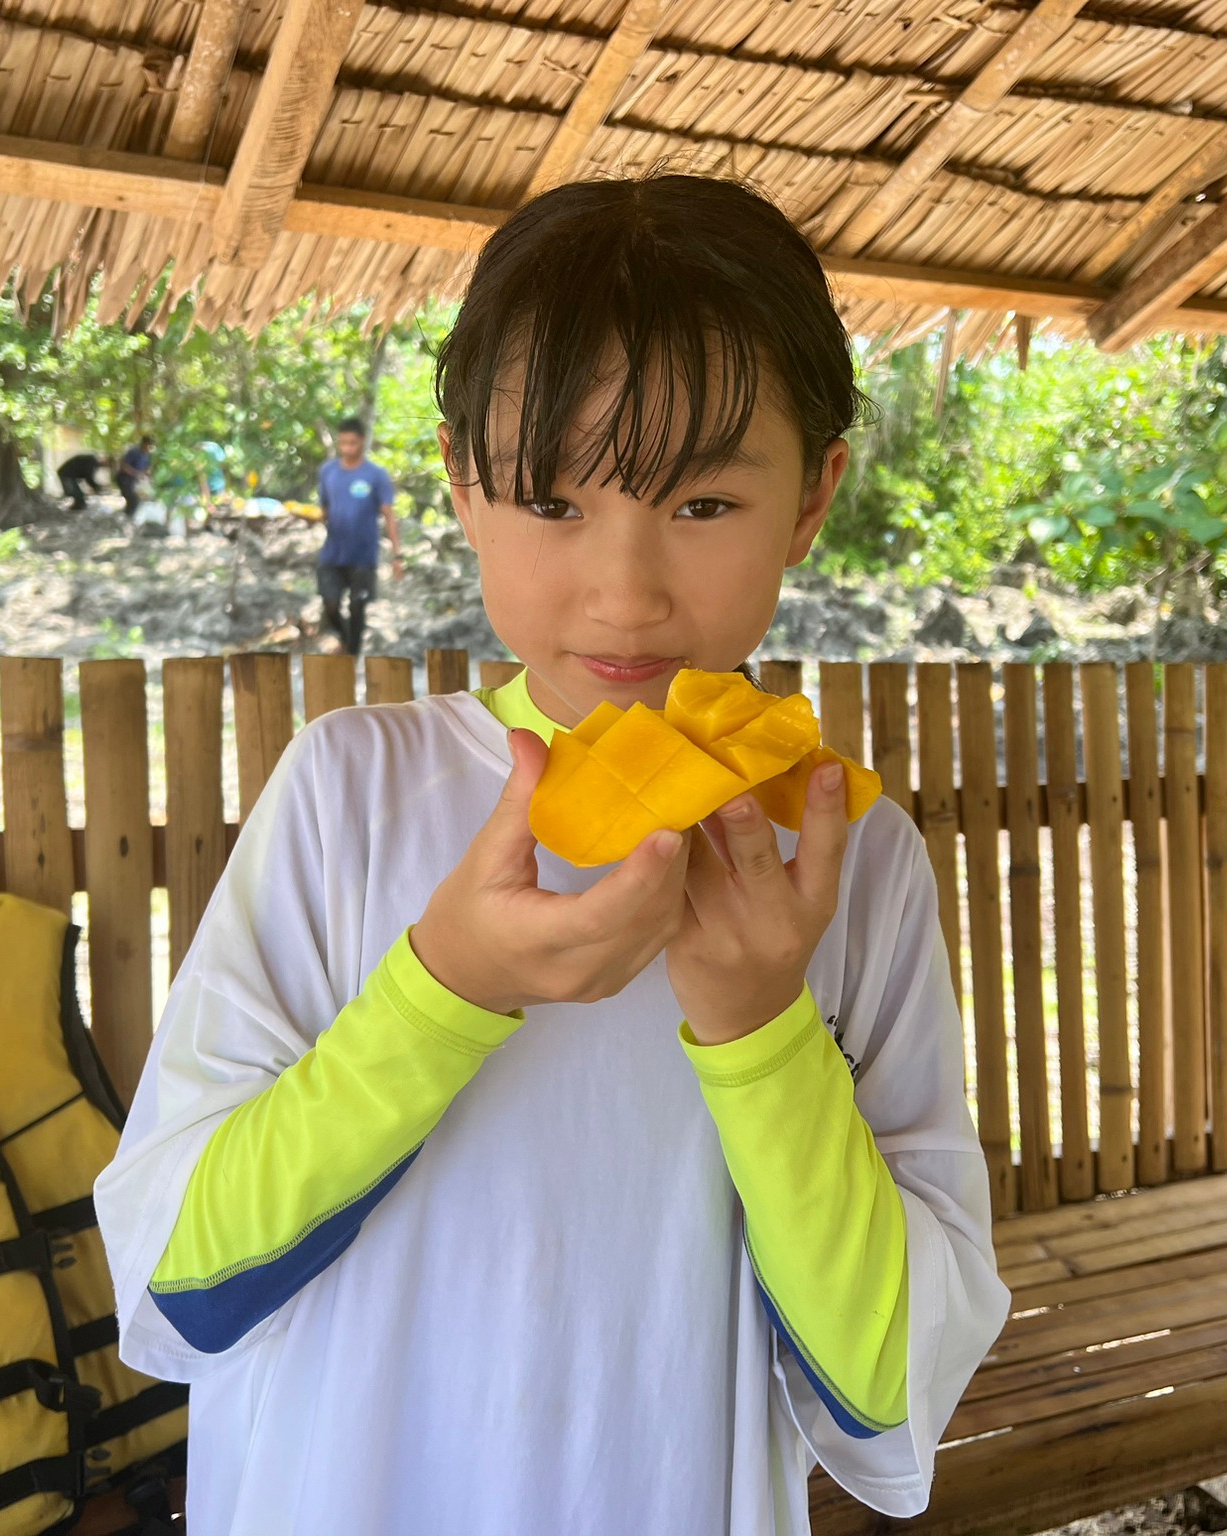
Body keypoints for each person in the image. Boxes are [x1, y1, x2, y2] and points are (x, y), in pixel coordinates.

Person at [95, 176, 1008, 1534]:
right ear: (464, 484)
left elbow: (886, 1386)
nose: (624, 594)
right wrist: (444, 984)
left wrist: (763, 1029)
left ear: (814, 495)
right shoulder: (349, 792)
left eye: (704, 504)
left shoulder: (846, 862)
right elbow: (175, 1280)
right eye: (551, 500)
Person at [314, 416, 399, 655]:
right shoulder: (328, 472)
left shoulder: (376, 475)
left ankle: (352, 656)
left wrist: (397, 556)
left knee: (357, 605)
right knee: (330, 603)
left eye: (352, 443)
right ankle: (344, 640)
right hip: (333, 552)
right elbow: (323, 511)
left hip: (363, 554)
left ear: (361, 441)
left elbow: (389, 515)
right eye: (343, 443)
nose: (347, 448)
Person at [116, 434, 155, 516]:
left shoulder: (147, 456)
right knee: (133, 500)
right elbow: (123, 465)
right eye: (149, 444)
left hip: (134, 480)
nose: (150, 447)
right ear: (144, 443)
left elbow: (145, 470)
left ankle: (127, 515)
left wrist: (148, 478)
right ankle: (127, 516)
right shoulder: (134, 452)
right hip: (124, 479)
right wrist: (136, 473)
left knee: (139, 499)